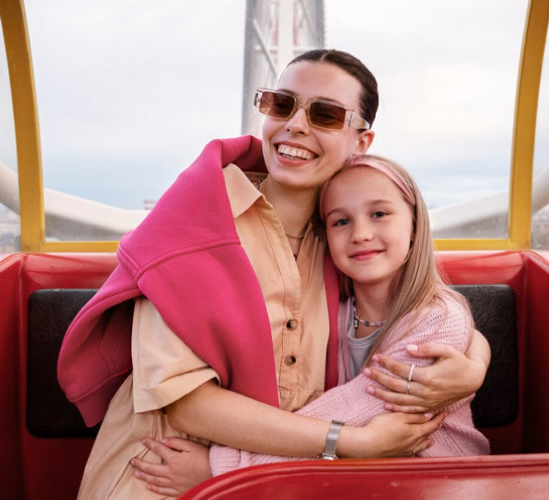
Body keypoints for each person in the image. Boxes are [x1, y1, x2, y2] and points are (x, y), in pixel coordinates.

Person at [57, 49, 491, 499]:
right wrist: (347, 442)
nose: (296, 125)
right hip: (167, 471)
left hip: (289, 478)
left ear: (362, 141)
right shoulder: (191, 224)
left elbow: (422, 314)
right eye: (281, 105)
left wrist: (474, 365)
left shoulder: (343, 238)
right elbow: (186, 404)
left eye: (324, 114)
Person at [131, 155, 490, 495]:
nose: (361, 233)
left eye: (379, 213)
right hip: (351, 479)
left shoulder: (438, 318)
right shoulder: (332, 312)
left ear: (414, 225)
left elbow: (357, 413)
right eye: (341, 221)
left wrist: (221, 469)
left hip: (437, 481)